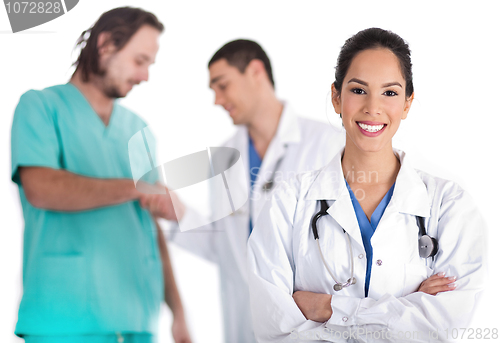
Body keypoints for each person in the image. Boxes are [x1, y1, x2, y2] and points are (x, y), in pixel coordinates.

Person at [247, 28, 487, 342]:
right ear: (336, 97)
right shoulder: (289, 202)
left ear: (407, 103)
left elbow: (444, 325)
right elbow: (274, 325)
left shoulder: (449, 205)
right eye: (358, 90)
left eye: (389, 92)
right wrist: (406, 307)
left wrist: (329, 308)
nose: (372, 107)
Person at [141, 39, 345, 342]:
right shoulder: (225, 157)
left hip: (311, 326)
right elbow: (227, 249)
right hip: (244, 323)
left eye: (222, 85)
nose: (216, 99)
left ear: (255, 71)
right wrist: (180, 214)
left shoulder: (327, 144)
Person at [10, 7, 191, 343]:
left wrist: (178, 314)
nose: (145, 76)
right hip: (65, 318)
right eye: (140, 61)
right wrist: (135, 188)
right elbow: (41, 188)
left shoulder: (139, 131)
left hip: (138, 318)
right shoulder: (40, 107)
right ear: (106, 44)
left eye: (150, 64)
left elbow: (150, 229)